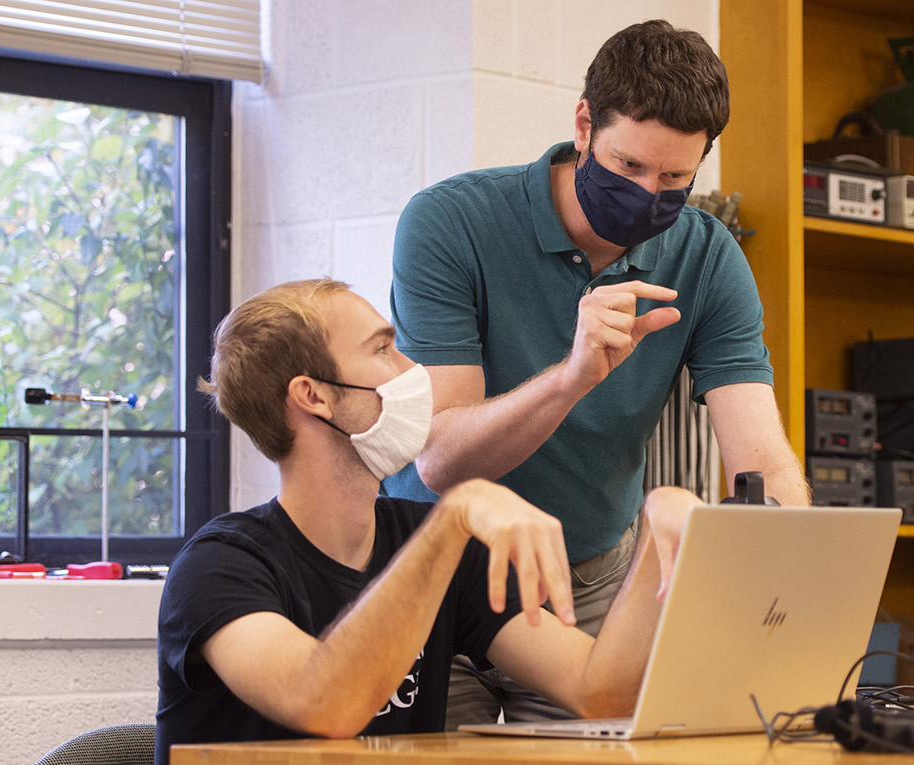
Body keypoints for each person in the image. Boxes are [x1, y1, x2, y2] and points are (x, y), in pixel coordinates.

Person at [385, 19, 809, 726]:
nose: (650, 195)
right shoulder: (450, 223)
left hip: (584, 584)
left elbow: (761, 459)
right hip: (438, 570)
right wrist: (572, 374)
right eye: (629, 168)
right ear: (584, 124)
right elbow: (441, 458)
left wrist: (795, 599)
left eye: (676, 178)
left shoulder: (707, 255)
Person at [154, 279, 698, 764]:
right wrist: (453, 519)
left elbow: (598, 691)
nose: (413, 370)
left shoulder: (432, 540)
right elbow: (325, 704)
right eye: (384, 350)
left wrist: (659, 538)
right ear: (313, 394)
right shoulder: (218, 566)